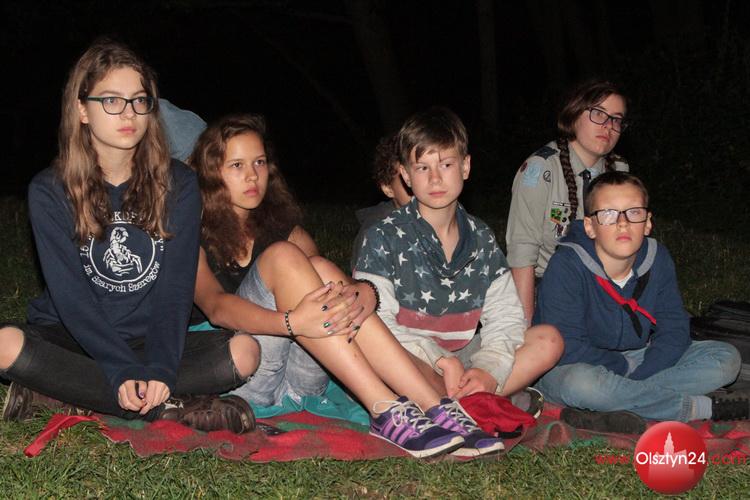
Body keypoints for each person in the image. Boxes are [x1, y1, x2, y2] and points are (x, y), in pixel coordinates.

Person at [188, 113, 506, 458]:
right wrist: (292, 323)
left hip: (303, 384)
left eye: (259, 162)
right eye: (237, 165)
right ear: (211, 173)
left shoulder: (286, 230)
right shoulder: (193, 234)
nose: (252, 175)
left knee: (320, 266)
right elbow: (216, 307)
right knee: (284, 256)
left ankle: (433, 407)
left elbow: (332, 288)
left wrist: (364, 291)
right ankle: (383, 407)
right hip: (245, 378)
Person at [0, 39, 258, 434]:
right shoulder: (50, 190)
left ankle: (68, 392)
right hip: (74, 337)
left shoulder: (179, 184)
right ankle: (168, 407)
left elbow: (174, 289)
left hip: (151, 337)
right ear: (81, 110)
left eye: (139, 101)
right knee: (4, 344)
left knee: (245, 352)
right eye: (112, 101)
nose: (129, 113)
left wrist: (160, 366)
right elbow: (72, 301)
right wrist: (120, 368)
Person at [354, 107, 563, 416]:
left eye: (446, 164)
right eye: (422, 167)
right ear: (406, 175)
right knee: (373, 344)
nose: (435, 178)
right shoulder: (383, 236)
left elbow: (506, 316)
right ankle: (473, 403)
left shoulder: (481, 237)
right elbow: (377, 323)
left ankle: (465, 399)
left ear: (465, 166)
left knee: (549, 340)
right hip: (410, 357)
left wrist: (489, 369)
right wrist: (440, 359)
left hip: (464, 358)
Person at [535, 171, 746, 432]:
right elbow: (567, 345)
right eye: (609, 214)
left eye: (634, 212)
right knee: (582, 385)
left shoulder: (658, 258)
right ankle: (696, 408)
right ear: (590, 226)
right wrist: (622, 367)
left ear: (647, 223)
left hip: (637, 358)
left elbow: (674, 326)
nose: (623, 223)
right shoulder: (566, 265)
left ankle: (611, 406)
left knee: (726, 358)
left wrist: (640, 375)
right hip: (574, 366)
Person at [506, 80, 630, 322]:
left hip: (601, 286)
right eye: (598, 113)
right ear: (574, 114)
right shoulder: (541, 170)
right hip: (547, 287)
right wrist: (526, 328)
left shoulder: (619, 170)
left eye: (616, 119)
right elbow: (522, 252)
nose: (608, 126)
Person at [350, 133, 412, 270]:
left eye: (422, 170)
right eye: (407, 178)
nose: (419, 185)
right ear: (388, 188)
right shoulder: (377, 232)